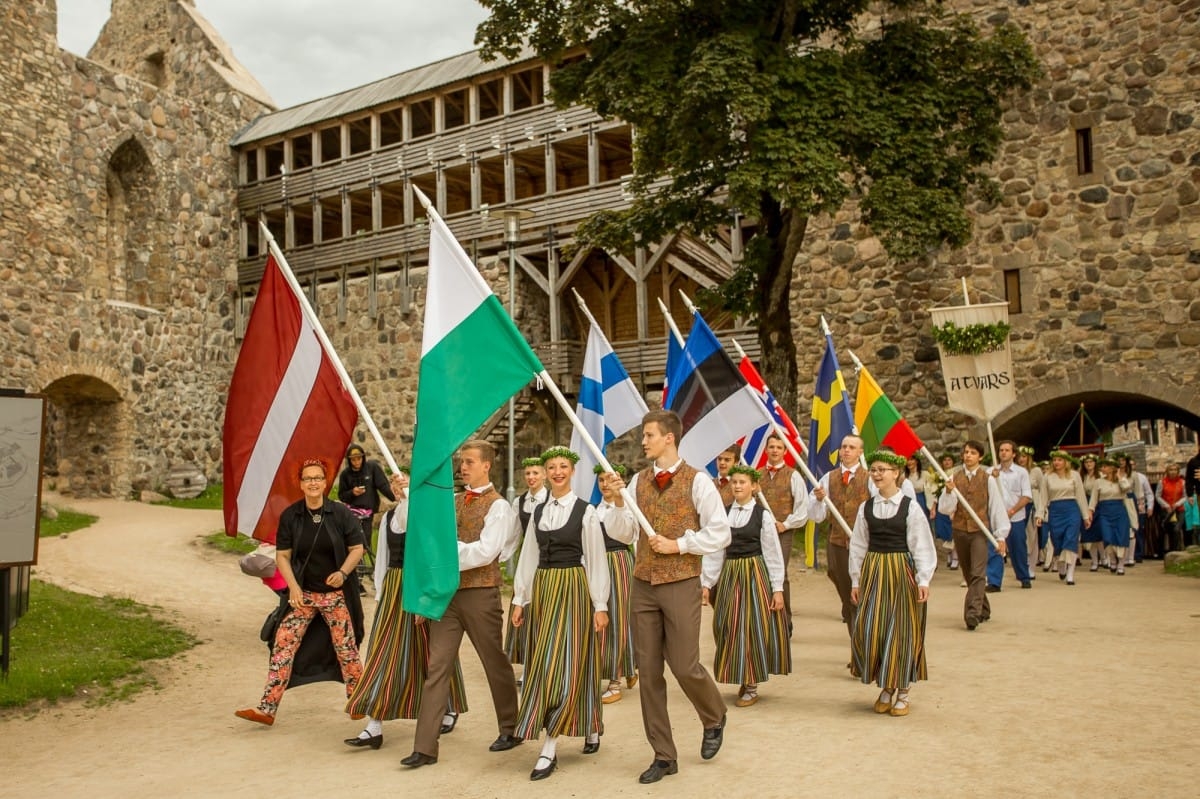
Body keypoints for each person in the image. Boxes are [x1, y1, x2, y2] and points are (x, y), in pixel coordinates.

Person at [599, 409, 730, 785]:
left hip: (680, 582)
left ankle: (714, 714)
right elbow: (625, 534)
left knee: (685, 665)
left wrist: (680, 544)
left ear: (669, 438)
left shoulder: (698, 481)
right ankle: (663, 754)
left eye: (649, 435)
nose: (643, 441)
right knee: (649, 671)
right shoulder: (637, 481)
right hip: (642, 585)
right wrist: (617, 501)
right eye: (644, 435)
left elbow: (720, 533)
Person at [400, 440, 522, 769]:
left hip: (481, 595)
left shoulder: (499, 507)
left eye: (469, 462)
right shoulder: (450, 501)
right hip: (447, 595)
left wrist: (445, 551)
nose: (462, 467)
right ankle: (425, 746)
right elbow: (426, 529)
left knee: (494, 660)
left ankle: (510, 727)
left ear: (486, 465)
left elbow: (487, 552)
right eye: (462, 462)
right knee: (437, 666)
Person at [236, 458, 365, 726]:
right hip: (303, 595)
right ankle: (267, 709)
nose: (313, 483)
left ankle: (359, 701)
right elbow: (282, 555)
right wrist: (293, 588)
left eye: (318, 478)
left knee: (346, 648)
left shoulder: (340, 513)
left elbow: (357, 548)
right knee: (282, 646)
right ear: (301, 483)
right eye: (308, 479)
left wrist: (342, 572)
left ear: (325, 482)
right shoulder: (292, 516)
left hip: (334, 595)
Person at [343, 471, 468, 749]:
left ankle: (448, 704)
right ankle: (374, 724)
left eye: (405, 483)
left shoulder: (426, 516)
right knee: (384, 652)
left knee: (432, 650)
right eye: (396, 484)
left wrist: (430, 595)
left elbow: (435, 557)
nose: (399, 487)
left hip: (420, 587)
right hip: (394, 588)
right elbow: (383, 559)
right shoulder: (389, 518)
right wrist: (381, 594)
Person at [510, 447, 610, 781]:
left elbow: (597, 559)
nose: (556, 472)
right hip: (543, 590)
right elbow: (529, 555)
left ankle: (550, 744)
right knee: (546, 661)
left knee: (569, 660)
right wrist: (520, 598)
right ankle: (589, 725)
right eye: (551, 467)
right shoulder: (537, 510)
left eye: (562, 466)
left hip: (573, 589)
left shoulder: (586, 512)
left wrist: (600, 604)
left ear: (572, 471)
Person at [849, 450, 936, 717]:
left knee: (902, 630)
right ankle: (886, 685)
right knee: (874, 628)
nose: (876, 474)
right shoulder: (867, 507)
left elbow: (921, 545)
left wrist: (923, 579)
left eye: (882, 470)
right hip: (875, 571)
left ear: (896, 473)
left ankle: (904, 690)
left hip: (900, 571)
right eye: (873, 470)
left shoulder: (910, 507)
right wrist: (856, 580)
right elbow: (858, 545)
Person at [701, 464, 789, 708]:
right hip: (730, 574)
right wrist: (707, 583)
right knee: (727, 624)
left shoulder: (763, 515)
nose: (738, 486)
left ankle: (751, 682)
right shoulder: (724, 514)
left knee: (752, 625)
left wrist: (777, 587)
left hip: (754, 573)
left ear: (754, 486)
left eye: (742, 482)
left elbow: (773, 553)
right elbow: (716, 550)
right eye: (735, 482)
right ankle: (740, 670)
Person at [807, 434, 871, 664]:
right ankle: (859, 652)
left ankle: (863, 654)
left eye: (851, 447)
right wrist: (818, 500)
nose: (846, 451)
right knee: (849, 599)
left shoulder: (870, 479)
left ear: (860, 452)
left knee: (862, 598)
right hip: (838, 545)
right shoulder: (828, 478)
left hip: (865, 547)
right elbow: (815, 515)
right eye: (844, 447)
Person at [937, 440, 1010, 630]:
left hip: (979, 531)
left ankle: (972, 613)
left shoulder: (988, 479)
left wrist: (1000, 535)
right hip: (960, 530)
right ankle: (984, 608)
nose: (968, 455)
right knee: (969, 574)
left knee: (978, 573)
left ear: (980, 457)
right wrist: (947, 491)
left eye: (972, 453)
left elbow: (996, 507)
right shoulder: (955, 477)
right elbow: (946, 509)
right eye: (966, 452)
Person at [595, 463, 638, 705]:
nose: (605, 484)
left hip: (619, 561)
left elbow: (631, 536)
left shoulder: (626, 507)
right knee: (602, 617)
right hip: (599, 563)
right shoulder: (593, 510)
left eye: (609, 479)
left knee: (619, 617)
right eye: (601, 480)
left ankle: (615, 679)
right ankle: (629, 667)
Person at [759, 433, 810, 623]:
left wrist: (786, 524)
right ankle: (763, 615)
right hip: (759, 533)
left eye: (779, 447)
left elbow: (802, 509)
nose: (774, 450)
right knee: (761, 572)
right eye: (771, 447)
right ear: (766, 450)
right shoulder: (755, 475)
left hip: (782, 533)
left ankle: (784, 619)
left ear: (785, 451)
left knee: (780, 573)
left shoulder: (793, 475)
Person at [506, 456, 548, 671]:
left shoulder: (551, 498)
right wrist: (501, 557)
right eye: (528, 474)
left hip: (547, 558)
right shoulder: (519, 502)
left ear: (545, 475)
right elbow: (513, 534)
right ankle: (529, 665)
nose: (531, 477)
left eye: (535, 473)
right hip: (527, 558)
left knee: (542, 608)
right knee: (523, 608)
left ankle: (545, 663)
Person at [1041, 451, 1091, 585]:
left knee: (1071, 538)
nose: (1056, 462)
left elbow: (1080, 496)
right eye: (1055, 460)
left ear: (1066, 462)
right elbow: (1043, 497)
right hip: (1055, 509)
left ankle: (1070, 573)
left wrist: (1085, 516)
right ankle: (1061, 563)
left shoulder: (1074, 475)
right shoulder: (1047, 476)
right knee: (1057, 539)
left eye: (1060, 460)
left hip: (1071, 509)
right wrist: (1040, 514)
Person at [990, 440, 1033, 590]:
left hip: (1016, 516)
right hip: (996, 518)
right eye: (1001, 450)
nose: (1003, 453)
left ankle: (1024, 576)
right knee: (996, 548)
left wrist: (1012, 511)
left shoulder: (1021, 472)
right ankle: (995, 581)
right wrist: (992, 478)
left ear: (1013, 453)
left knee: (1018, 548)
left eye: (1007, 450)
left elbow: (1026, 496)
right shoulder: (992, 472)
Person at [337, 444, 396, 545]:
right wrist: (352, 492)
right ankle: (356, 560)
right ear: (349, 461)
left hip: (368, 512)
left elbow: (382, 485)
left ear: (363, 457)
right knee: (353, 541)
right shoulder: (345, 475)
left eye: (359, 458)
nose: (356, 462)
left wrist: (395, 497)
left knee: (366, 541)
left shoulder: (372, 468)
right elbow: (341, 495)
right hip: (352, 513)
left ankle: (366, 559)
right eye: (353, 460)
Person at [1089, 458, 1133, 575]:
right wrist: (1090, 510)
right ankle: (1112, 558)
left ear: (1113, 468)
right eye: (1102, 466)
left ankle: (1121, 564)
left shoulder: (1121, 480)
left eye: (1106, 466)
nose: (1103, 469)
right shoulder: (1099, 481)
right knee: (1107, 537)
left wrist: (1119, 477)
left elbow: (1127, 488)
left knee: (1121, 537)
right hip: (1104, 511)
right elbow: (1094, 498)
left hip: (1119, 510)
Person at [1016, 446, 1045, 567]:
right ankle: (1022, 561)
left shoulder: (1036, 471)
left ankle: (1031, 565)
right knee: (1020, 536)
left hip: (1031, 505)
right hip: (1018, 505)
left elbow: (1043, 489)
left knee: (1032, 536)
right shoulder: (1015, 471)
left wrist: (1041, 509)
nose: (1021, 459)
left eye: (1023, 456)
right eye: (1019, 457)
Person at [932, 452, 958, 569]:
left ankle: (955, 557)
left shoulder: (956, 474)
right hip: (941, 504)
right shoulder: (937, 475)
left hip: (953, 505)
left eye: (949, 460)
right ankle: (949, 553)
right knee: (944, 532)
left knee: (953, 532)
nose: (947, 462)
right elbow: (933, 492)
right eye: (945, 460)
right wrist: (933, 507)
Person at [1156, 463, 1186, 554]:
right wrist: (1165, 505)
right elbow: (1158, 496)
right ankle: (1166, 551)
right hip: (1167, 511)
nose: (1173, 472)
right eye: (1171, 470)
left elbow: (1185, 496)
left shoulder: (1182, 482)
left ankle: (1176, 551)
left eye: (1175, 470)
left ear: (1178, 471)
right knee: (1168, 530)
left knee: (1176, 529)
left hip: (1179, 510)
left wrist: (1177, 504)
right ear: (1167, 471)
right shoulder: (1162, 482)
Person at [1079, 454, 1103, 565]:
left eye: (1091, 462)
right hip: (1085, 502)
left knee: (1100, 533)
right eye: (1086, 462)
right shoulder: (1081, 476)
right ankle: (1094, 561)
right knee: (1090, 534)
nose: (1088, 464)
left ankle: (1104, 558)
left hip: (1098, 504)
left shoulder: (1100, 476)